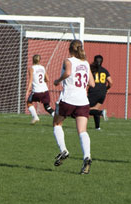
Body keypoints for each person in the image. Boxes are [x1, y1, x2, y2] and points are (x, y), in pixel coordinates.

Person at [53, 40, 95, 174]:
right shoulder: (86, 63)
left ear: (70, 49)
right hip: (83, 101)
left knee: (57, 124)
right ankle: (87, 156)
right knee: (82, 131)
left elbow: (68, 73)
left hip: (68, 99)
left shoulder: (68, 60)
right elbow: (92, 83)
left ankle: (63, 150)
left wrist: (58, 81)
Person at [26, 55, 55, 124]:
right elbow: (47, 79)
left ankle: (35, 117)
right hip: (45, 91)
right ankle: (56, 118)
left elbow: (30, 81)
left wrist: (27, 91)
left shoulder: (31, 68)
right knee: (47, 106)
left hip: (36, 91)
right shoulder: (42, 68)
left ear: (33, 60)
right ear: (39, 60)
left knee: (29, 102)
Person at [88, 55, 113, 130]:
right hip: (102, 93)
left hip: (94, 92)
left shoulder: (91, 69)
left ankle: (101, 113)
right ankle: (97, 127)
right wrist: (107, 88)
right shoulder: (105, 70)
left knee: (84, 109)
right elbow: (111, 82)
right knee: (95, 109)